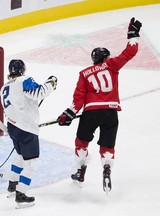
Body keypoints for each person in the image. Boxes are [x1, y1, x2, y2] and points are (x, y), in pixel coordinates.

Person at [57, 18, 142, 193]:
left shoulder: (84, 73)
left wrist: (69, 114)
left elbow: (79, 97)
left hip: (91, 113)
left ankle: (81, 171)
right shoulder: (112, 65)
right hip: (111, 113)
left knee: (81, 142)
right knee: (108, 146)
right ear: (105, 58)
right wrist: (133, 36)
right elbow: (129, 52)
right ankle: (106, 170)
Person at [0, 59, 57, 208]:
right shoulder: (24, 80)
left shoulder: (4, 87)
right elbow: (38, 92)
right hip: (26, 128)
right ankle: (21, 194)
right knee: (30, 163)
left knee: (20, 156)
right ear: (23, 70)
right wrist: (51, 83)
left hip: (13, 127)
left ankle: (12, 185)